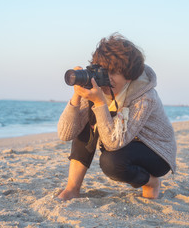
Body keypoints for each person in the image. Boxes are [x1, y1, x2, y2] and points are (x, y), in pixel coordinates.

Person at [57, 33, 177, 200]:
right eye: (104, 71)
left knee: (111, 163)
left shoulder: (145, 96)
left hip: (156, 152)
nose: (107, 78)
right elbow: (65, 134)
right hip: (124, 142)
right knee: (85, 124)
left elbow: (113, 143)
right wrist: (77, 96)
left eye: (113, 72)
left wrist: (99, 103)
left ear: (129, 74)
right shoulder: (97, 87)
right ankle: (72, 189)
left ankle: (151, 182)